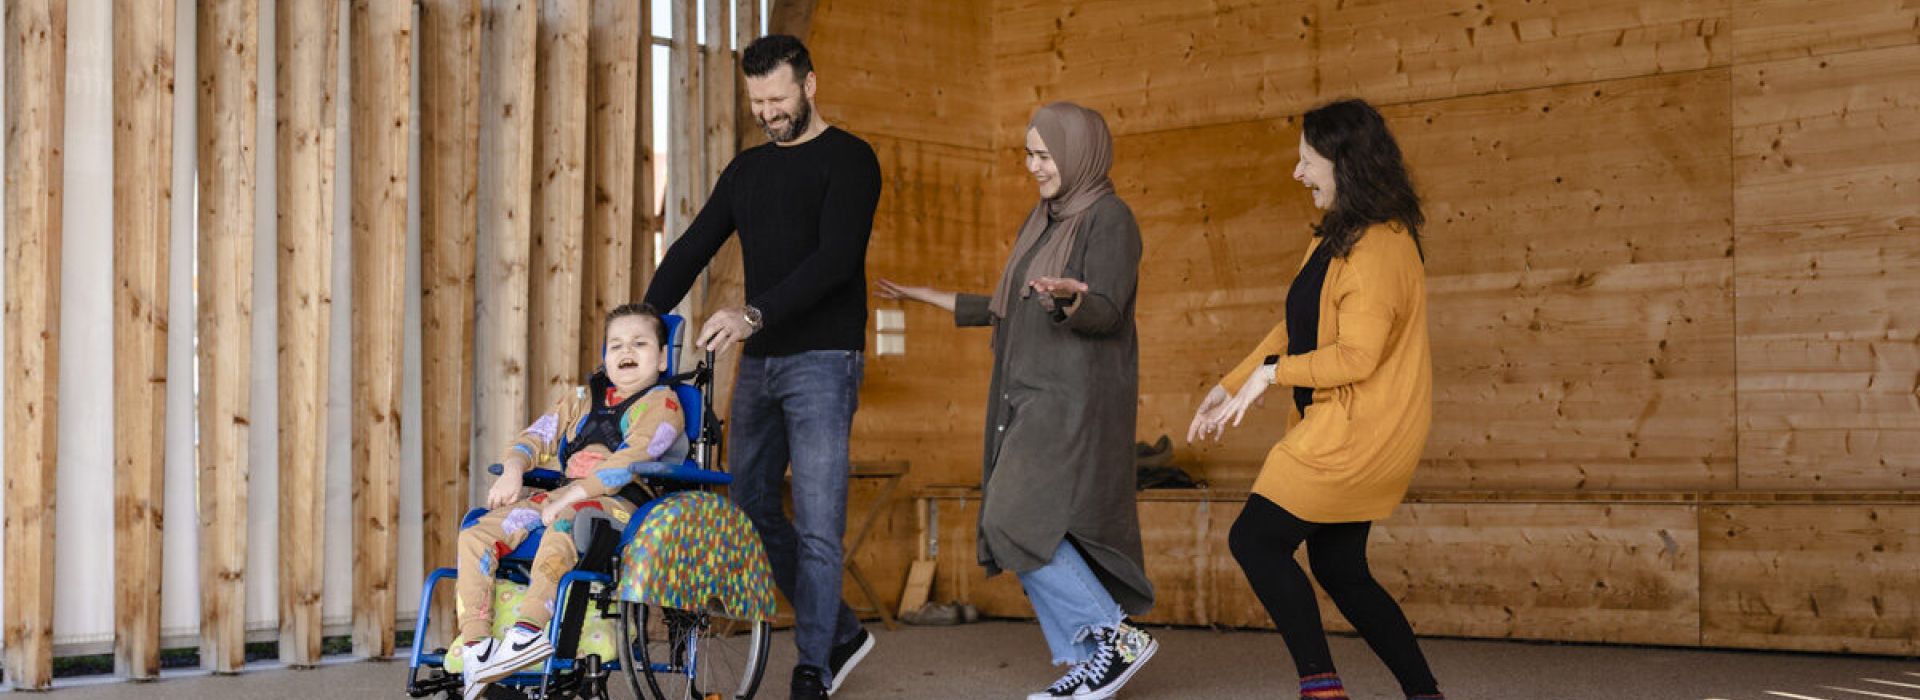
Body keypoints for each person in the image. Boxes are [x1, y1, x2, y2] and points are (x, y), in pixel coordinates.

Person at [877, 101, 1156, 700]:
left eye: (1043, 153)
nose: (1033, 165)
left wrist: (1072, 298)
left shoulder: (1111, 219)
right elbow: (1010, 303)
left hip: (1072, 404)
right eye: (1028, 153)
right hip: (1026, 399)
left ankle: (1115, 636)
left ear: (1077, 152)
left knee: (1011, 522)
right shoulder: (1046, 222)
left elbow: (1104, 307)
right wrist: (925, 294)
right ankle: (1093, 662)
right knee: (1021, 529)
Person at [640, 34, 882, 700]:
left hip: (824, 361)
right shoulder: (747, 171)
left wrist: (752, 314)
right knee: (748, 509)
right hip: (765, 364)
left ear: (810, 84)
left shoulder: (852, 160)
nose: (768, 112)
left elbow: (836, 261)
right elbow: (692, 246)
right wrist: (641, 322)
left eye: (777, 98)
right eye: (757, 101)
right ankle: (838, 627)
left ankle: (815, 663)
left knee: (818, 517)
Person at [1187, 98, 1445, 700]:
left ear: (1345, 162)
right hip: (1339, 423)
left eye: (1308, 160)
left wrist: (1272, 378)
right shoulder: (1334, 238)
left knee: (1255, 540)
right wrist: (1230, 383)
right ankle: (1424, 694)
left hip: (1360, 433)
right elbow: (1292, 330)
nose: (1297, 173)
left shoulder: (1380, 248)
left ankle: (1321, 689)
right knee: (1340, 568)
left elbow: (1357, 358)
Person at [457, 303, 687, 700]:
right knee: (477, 532)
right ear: (604, 356)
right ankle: (479, 649)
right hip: (563, 494)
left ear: (663, 357)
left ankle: (528, 632)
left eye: (639, 343)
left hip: (621, 506)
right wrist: (514, 468)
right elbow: (537, 436)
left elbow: (628, 464)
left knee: (566, 517)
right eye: (615, 345)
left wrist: (572, 496)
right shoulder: (584, 396)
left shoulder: (663, 405)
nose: (625, 351)